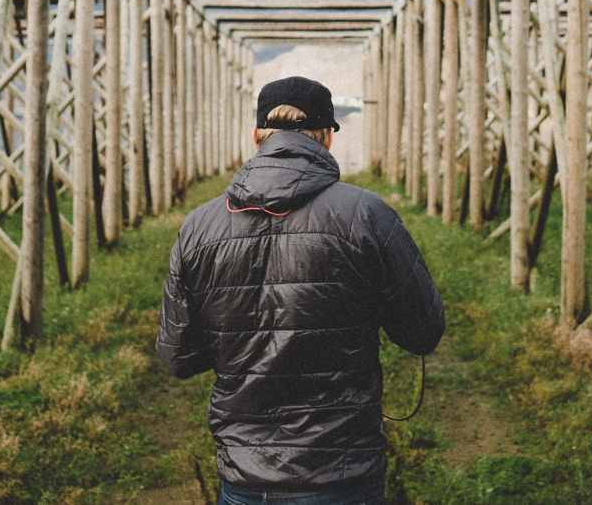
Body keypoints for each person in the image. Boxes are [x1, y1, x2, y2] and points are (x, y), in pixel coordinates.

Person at [156, 75, 445, 505]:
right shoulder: (365, 213)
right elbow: (422, 332)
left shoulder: (200, 226)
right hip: (344, 470)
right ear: (327, 138)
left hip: (245, 474)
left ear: (256, 137)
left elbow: (178, 358)